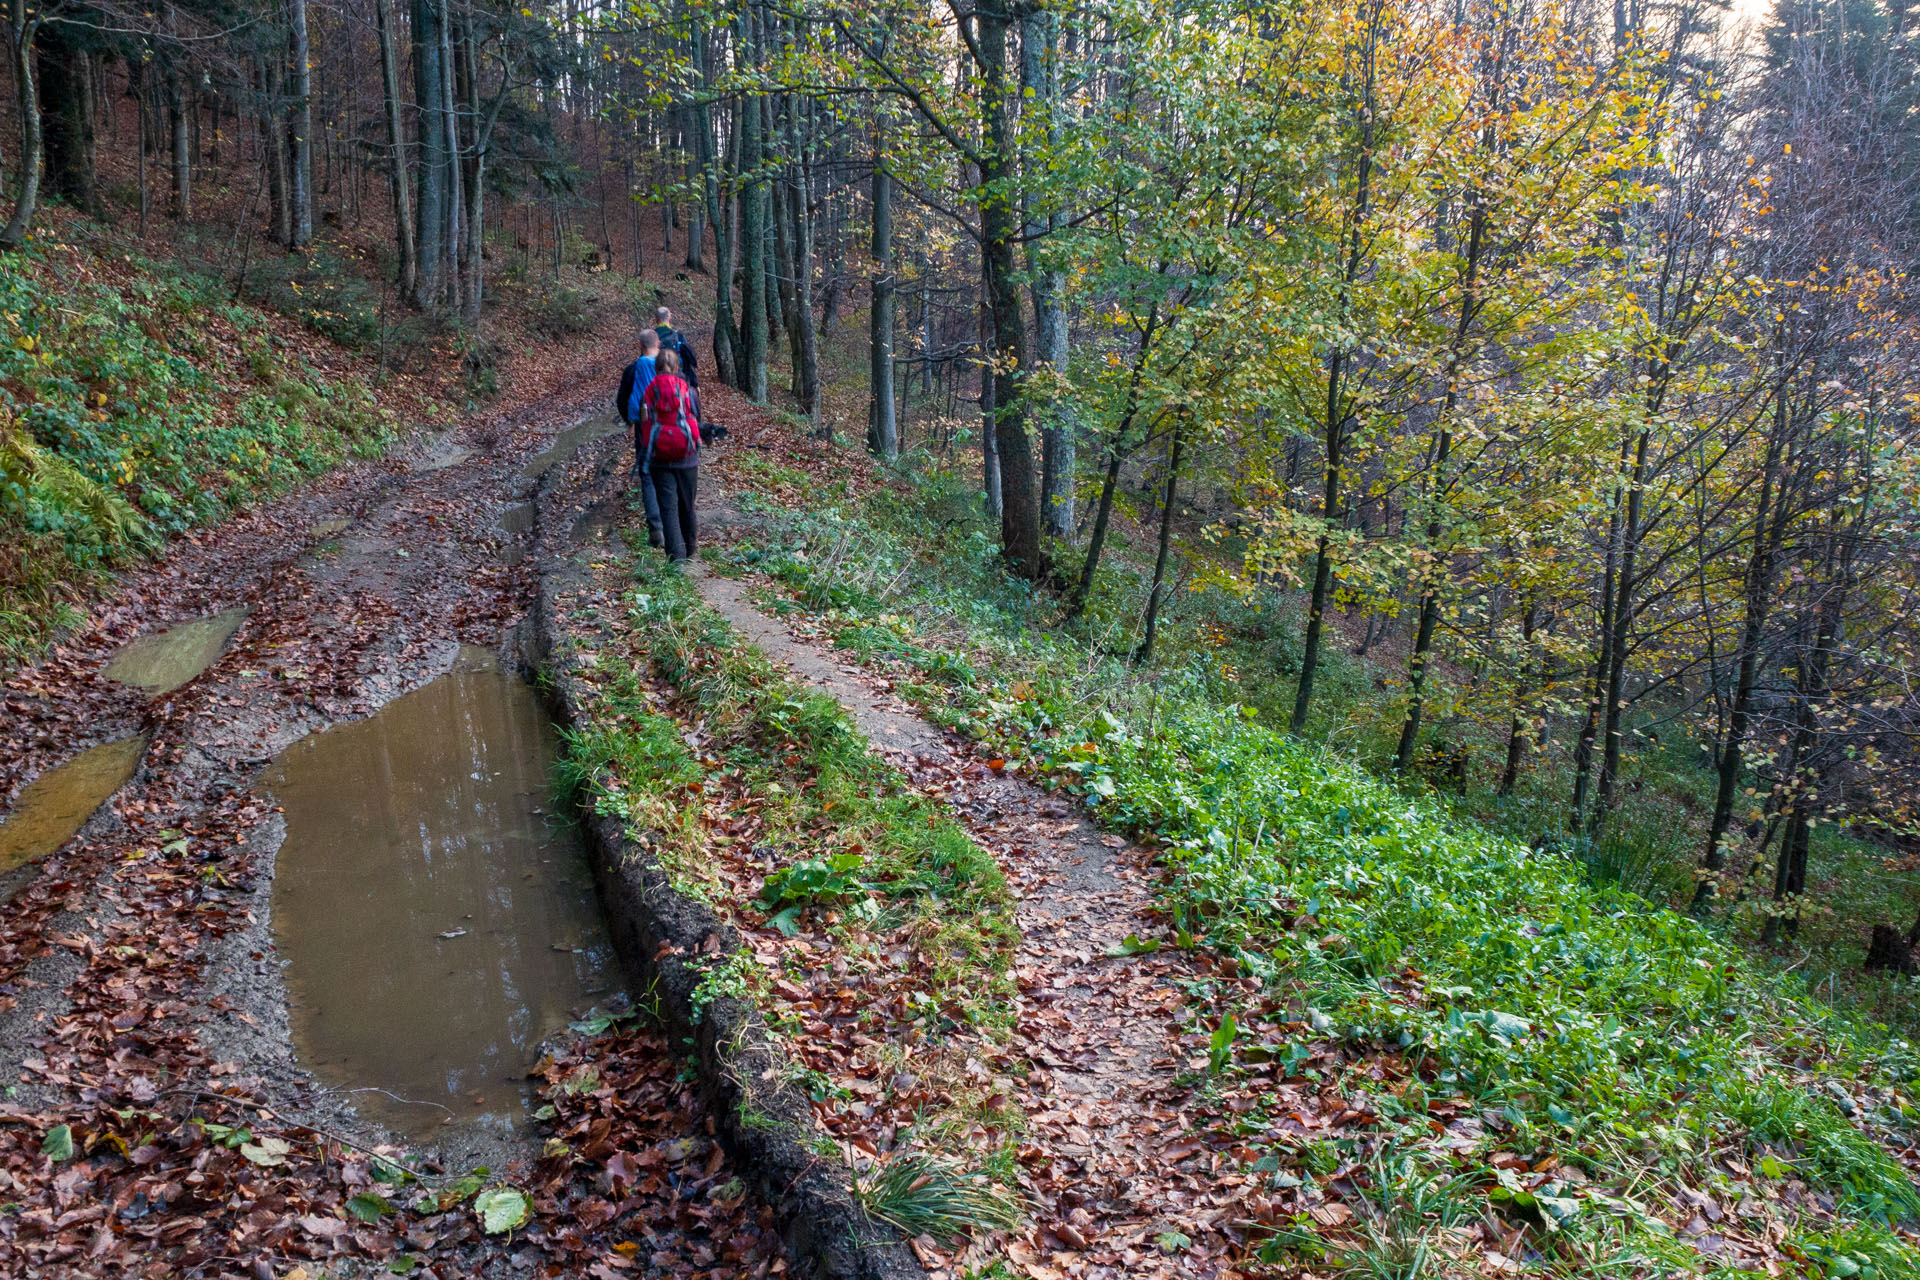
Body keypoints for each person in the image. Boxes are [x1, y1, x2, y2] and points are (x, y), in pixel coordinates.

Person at [640, 347, 702, 562]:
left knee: (668, 509)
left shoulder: (649, 392)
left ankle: (677, 560)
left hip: (660, 458)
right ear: (677, 368)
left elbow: (644, 423)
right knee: (687, 505)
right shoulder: (688, 390)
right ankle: (691, 550)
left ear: (656, 369)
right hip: (687, 457)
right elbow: (696, 418)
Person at [620, 330, 664, 547]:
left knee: (647, 476)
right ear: (658, 343)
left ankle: (656, 529)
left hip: (644, 429)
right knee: (668, 473)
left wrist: (630, 421)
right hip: (670, 427)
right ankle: (674, 525)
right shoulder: (668, 366)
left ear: (640, 346)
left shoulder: (633, 369)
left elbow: (623, 399)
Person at [654, 306, 698, 388]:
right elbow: (689, 360)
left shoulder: (650, 337)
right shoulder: (678, 336)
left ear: (656, 319)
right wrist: (694, 384)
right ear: (669, 317)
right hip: (677, 383)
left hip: (656, 383)